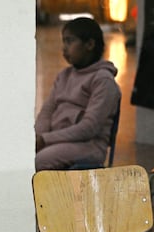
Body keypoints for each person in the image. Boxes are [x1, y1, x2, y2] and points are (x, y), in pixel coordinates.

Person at [35, 17, 121, 171]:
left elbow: (89, 128)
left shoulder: (103, 81)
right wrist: (38, 137)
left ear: (89, 44)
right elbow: (47, 112)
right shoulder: (64, 75)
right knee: (20, 155)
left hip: (88, 146)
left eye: (70, 41)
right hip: (57, 141)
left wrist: (46, 139)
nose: (64, 48)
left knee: (39, 160)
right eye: (64, 42)